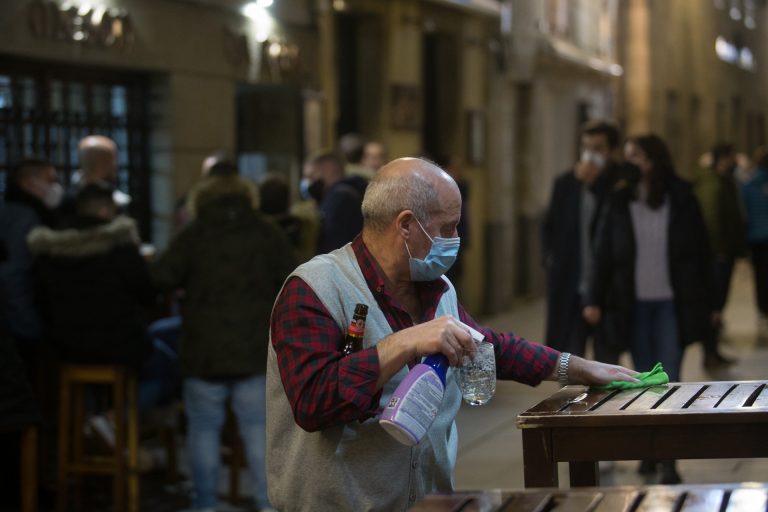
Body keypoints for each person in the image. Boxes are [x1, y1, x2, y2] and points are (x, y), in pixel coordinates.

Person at [266, 157, 638, 511]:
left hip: (426, 502)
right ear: (406, 225)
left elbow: (486, 345)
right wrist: (400, 344)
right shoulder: (315, 289)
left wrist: (574, 367)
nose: (456, 238)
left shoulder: (435, 287)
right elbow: (313, 402)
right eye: (447, 227)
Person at [151, 161, 296, 512]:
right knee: (257, 430)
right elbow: (293, 279)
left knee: (203, 429)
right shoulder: (266, 232)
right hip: (254, 350)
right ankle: (267, 503)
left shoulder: (195, 233)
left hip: (204, 350)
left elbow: (161, 277)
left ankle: (204, 504)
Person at [585, 135, 714, 484]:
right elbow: (603, 253)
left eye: (638, 157)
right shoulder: (619, 198)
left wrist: (712, 303)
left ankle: (669, 459)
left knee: (669, 378)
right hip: (634, 304)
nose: (632, 164)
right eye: (628, 158)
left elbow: (703, 250)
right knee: (643, 380)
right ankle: (649, 449)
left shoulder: (682, 196)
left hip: (672, 302)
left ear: (656, 159)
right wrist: (593, 299)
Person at [28, 183, 154, 368]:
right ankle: (126, 398)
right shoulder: (120, 246)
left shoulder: (50, 249)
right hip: (120, 345)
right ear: (105, 211)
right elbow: (146, 294)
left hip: (63, 346)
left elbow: (39, 298)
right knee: (163, 366)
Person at [542, 120, 630, 363]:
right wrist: (550, 260)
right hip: (570, 287)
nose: (591, 154)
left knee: (608, 365)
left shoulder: (621, 184)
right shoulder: (566, 183)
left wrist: (596, 185)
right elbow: (550, 228)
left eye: (598, 148)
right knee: (568, 364)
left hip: (607, 292)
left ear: (612, 152)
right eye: (586, 147)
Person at [0, 158, 62, 350]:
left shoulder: (13, 211)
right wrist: (30, 326)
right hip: (18, 323)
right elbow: (13, 274)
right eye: (49, 181)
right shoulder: (25, 217)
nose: (55, 188)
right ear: (27, 182)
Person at [693, 143, 746, 369]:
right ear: (722, 158)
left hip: (724, 252)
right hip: (717, 255)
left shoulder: (723, 180)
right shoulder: (711, 183)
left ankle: (713, 351)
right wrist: (719, 251)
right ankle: (709, 353)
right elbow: (711, 219)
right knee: (712, 306)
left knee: (717, 306)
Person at [305, 150, 368, 253]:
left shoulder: (340, 197)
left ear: (328, 170)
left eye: (311, 175)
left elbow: (333, 244)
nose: (309, 182)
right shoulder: (347, 192)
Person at [62, 135, 130, 220]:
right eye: (112, 159)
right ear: (100, 163)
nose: (115, 165)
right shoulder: (71, 200)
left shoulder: (116, 197)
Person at [741, 146, 768, 337]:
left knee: (760, 275)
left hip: (756, 237)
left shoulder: (750, 184)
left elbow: (745, 212)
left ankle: (763, 309)